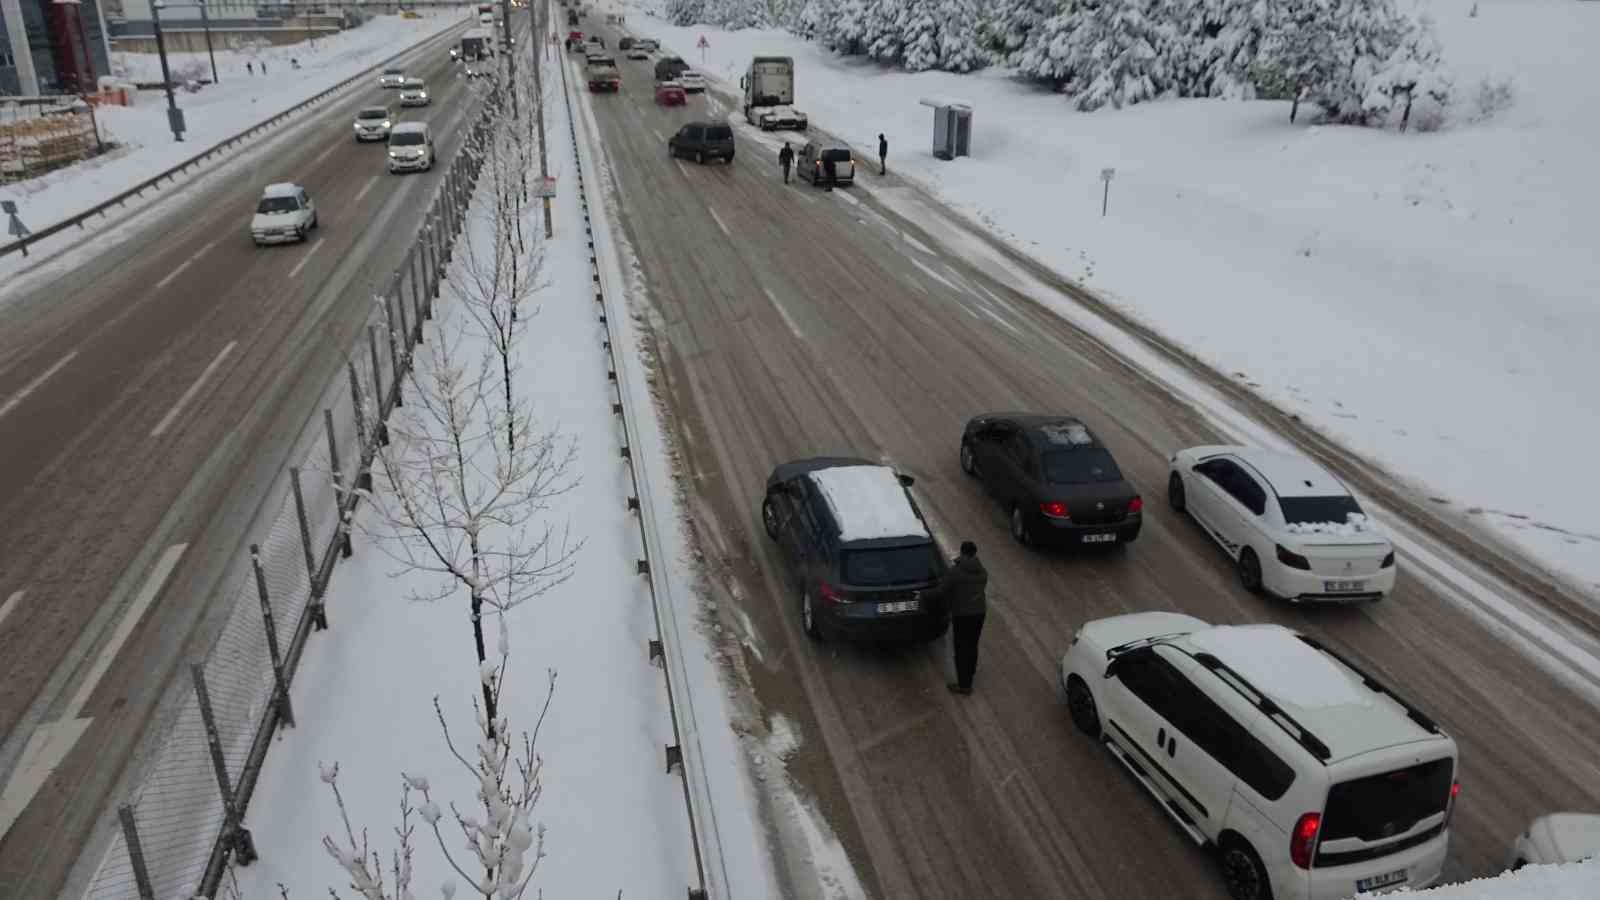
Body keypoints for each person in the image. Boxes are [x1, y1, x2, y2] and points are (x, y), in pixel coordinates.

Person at [939, 541, 989, 695]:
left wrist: (923, 595)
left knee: (961, 648)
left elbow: (942, 591)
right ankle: (970, 675)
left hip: (962, 614)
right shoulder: (983, 572)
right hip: (979, 613)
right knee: (972, 645)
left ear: (962, 552)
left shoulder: (956, 572)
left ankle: (964, 685)